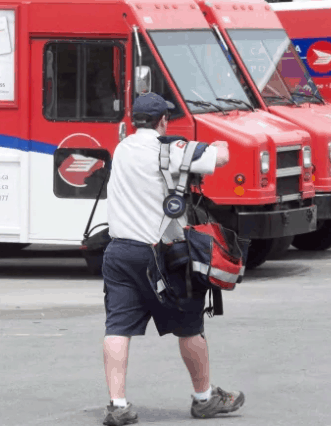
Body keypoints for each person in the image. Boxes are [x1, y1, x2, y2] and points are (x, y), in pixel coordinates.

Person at [101, 93, 243, 425]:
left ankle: (117, 405)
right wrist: (220, 139)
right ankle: (204, 399)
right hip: (163, 254)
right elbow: (220, 157)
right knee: (189, 327)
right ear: (163, 120)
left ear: (134, 119)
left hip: (120, 252)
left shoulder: (122, 148)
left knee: (117, 328)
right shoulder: (172, 150)